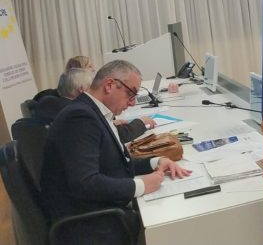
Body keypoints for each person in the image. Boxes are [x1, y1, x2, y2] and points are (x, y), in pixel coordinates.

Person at [41, 60, 191, 244]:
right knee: (170, 223)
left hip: (99, 211)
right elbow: (85, 183)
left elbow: (115, 162)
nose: (132, 102)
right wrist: (140, 185)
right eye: (130, 94)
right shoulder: (80, 118)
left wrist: (156, 162)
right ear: (109, 85)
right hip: (89, 225)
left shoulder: (92, 111)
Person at [36, 68, 155, 142]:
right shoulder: (78, 115)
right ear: (82, 90)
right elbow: (115, 137)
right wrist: (141, 123)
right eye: (92, 88)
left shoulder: (52, 105)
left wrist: (109, 123)